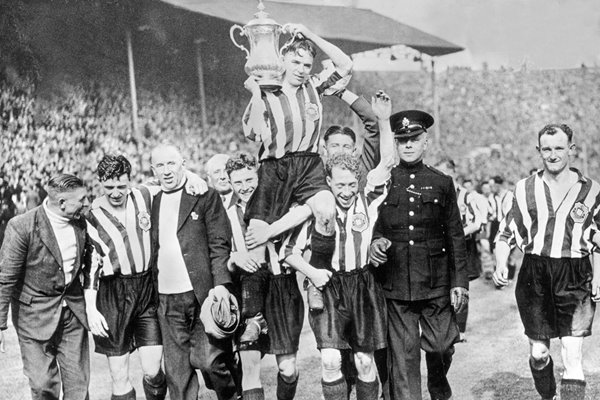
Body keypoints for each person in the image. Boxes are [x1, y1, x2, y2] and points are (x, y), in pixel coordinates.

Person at [282, 92, 395, 400]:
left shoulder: (367, 201)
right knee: (331, 360)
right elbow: (288, 253)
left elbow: (387, 162)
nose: (345, 191)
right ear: (328, 182)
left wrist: (383, 121)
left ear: (358, 182)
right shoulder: (318, 207)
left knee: (363, 360)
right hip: (329, 285)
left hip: (362, 284)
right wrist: (312, 273)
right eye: (339, 185)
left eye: (350, 185)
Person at [241, 23, 352, 309]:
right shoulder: (266, 92)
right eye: (295, 62)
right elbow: (251, 134)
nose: (302, 69)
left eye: (307, 64)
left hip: (308, 164)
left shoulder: (314, 87)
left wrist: (309, 33)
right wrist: (254, 94)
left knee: (326, 211)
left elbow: (345, 63)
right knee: (255, 243)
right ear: (282, 61)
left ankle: (315, 278)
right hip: (274, 168)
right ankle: (254, 317)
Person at [493, 123, 600, 400]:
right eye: (547, 149)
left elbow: (599, 240)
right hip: (535, 273)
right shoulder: (525, 188)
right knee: (539, 353)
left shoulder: (590, 191)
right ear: (539, 151)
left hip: (574, 273)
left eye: (559, 148)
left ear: (571, 150)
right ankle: (548, 395)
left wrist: (598, 276)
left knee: (572, 354)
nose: (553, 155)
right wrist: (500, 263)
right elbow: (507, 233)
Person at [369, 110, 469, 400]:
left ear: (426, 142)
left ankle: (438, 382)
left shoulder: (442, 182)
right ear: (396, 144)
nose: (408, 145)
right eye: (402, 140)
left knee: (440, 346)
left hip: (436, 282)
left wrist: (459, 281)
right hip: (396, 282)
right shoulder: (383, 181)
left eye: (414, 139)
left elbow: (455, 235)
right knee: (404, 358)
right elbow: (370, 224)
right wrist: (374, 243)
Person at [150, 143, 239, 400]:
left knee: (209, 362)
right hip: (167, 299)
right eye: (161, 165)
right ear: (153, 170)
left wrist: (221, 283)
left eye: (172, 164)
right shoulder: (152, 200)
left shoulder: (204, 195)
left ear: (183, 164)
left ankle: (232, 394)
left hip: (202, 295)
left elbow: (219, 242)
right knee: (178, 375)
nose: (167, 171)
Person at [223, 152, 310, 400]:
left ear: (259, 177)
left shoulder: (282, 204)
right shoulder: (225, 213)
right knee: (250, 368)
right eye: (237, 182)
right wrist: (233, 257)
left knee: (288, 368)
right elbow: (219, 253)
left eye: (250, 180)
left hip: (282, 285)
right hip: (248, 289)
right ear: (230, 183)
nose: (244, 187)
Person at [0, 173, 91, 400]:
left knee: (78, 387)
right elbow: (6, 278)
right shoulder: (21, 227)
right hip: (33, 318)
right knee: (43, 387)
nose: (87, 203)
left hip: (72, 315)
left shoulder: (81, 222)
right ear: (61, 203)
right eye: (81, 199)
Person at [84, 155, 167, 400]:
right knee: (119, 375)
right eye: (109, 187)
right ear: (100, 183)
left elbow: (174, 183)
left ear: (130, 181)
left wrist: (195, 179)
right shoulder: (90, 215)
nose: (116, 192)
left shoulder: (144, 195)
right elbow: (91, 265)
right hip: (113, 295)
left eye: (122, 186)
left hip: (145, 290)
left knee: (153, 371)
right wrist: (90, 307)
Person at [435, 159, 485, 343]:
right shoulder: (436, 193)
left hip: (462, 245)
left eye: (443, 173)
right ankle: (445, 327)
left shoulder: (466, 196)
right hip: (440, 246)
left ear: (452, 173)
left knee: (460, 285)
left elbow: (478, 222)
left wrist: (458, 234)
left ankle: (460, 328)